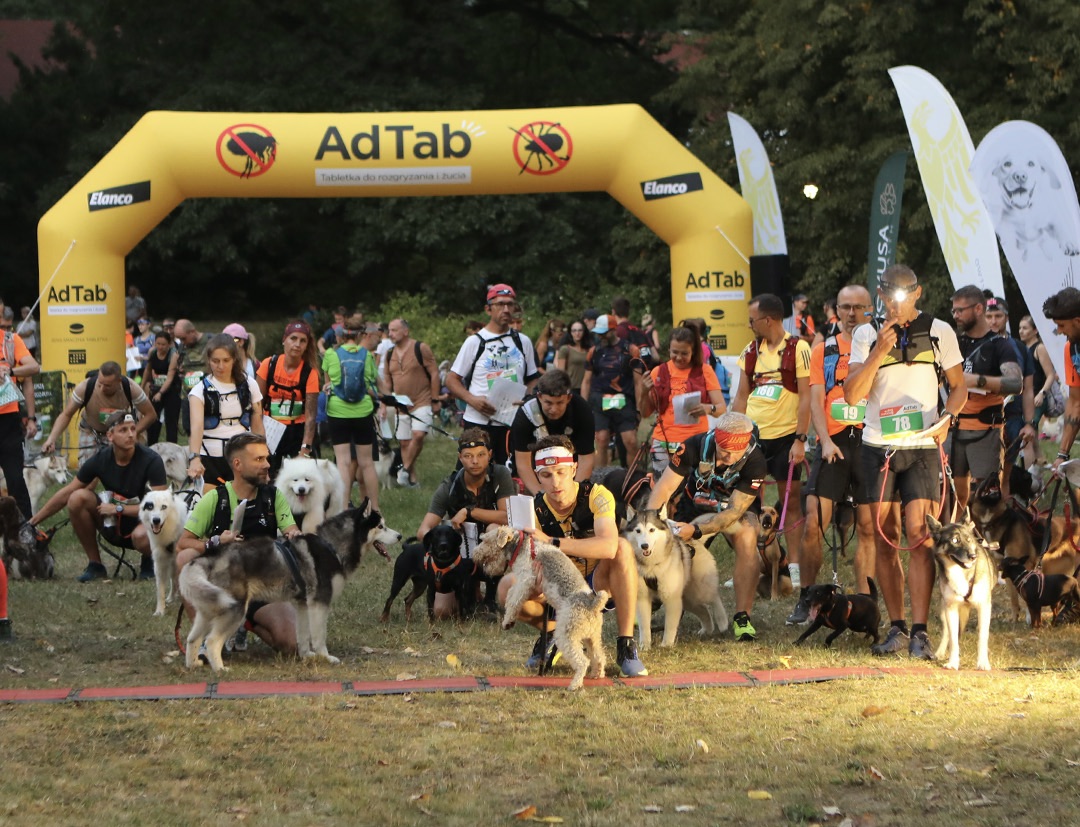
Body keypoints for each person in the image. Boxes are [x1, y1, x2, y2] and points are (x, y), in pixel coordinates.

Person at [845, 264, 966, 660]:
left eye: (904, 294)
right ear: (881, 295)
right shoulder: (866, 334)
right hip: (878, 446)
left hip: (922, 446)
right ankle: (896, 626)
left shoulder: (940, 330)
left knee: (919, 535)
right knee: (884, 535)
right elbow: (852, 395)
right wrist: (879, 351)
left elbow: (959, 387)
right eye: (889, 295)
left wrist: (948, 419)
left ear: (918, 293)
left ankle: (920, 631)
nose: (895, 303)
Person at [498, 434, 648, 677]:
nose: (555, 482)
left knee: (622, 548)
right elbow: (521, 561)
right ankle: (554, 634)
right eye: (546, 475)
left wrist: (553, 542)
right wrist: (534, 573)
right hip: (557, 589)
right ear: (537, 476)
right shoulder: (533, 509)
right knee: (507, 587)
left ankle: (626, 645)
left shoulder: (596, 494)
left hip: (595, 585)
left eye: (561, 472)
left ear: (574, 469)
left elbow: (609, 547)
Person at [791, 286, 878, 625]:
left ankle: (865, 603)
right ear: (836, 310)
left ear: (870, 309)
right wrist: (824, 441)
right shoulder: (823, 349)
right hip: (833, 442)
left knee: (868, 527)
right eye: (845, 307)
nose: (852, 313)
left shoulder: (879, 345)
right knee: (813, 521)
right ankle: (806, 597)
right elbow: (815, 399)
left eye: (859, 307)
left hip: (869, 440)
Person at [175, 432, 302, 654]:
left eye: (266, 458)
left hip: (263, 586)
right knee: (185, 559)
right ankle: (204, 639)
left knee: (292, 645)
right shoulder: (215, 498)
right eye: (259, 459)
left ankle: (244, 622)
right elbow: (183, 543)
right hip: (223, 583)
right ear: (237, 464)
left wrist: (296, 536)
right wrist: (215, 542)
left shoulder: (273, 496)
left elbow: (291, 530)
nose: (267, 465)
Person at [645, 412, 767, 641]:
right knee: (673, 549)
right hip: (697, 499)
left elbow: (733, 512)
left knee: (747, 538)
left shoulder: (756, 461)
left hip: (734, 505)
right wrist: (650, 522)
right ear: (716, 440)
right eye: (724, 450)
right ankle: (662, 599)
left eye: (735, 452)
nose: (728, 456)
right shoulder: (693, 446)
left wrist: (697, 531)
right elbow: (664, 488)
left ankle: (742, 616)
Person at [732, 293, 811, 593]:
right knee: (748, 505)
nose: (749, 325)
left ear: (768, 320)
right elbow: (741, 396)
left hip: (787, 438)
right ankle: (751, 565)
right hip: (755, 439)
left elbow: (806, 398)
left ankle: (795, 569)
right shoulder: (750, 351)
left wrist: (800, 439)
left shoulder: (798, 348)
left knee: (791, 504)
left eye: (752, 320)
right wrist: (735, 437)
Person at [29, 412, 168, 582]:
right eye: (123, 430)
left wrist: (118, 508)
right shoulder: (101, 459)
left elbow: (160, 507)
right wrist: (33, 522)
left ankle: (150, 560)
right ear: (110, 436)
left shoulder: (151, 460)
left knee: (140, 536)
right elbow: (67, 492)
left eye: (133, 429)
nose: (131, 434)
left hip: (147, 525)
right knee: (77, 498)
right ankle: (95, 565)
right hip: (113, 523)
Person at [413, 428, 513, 616]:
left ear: (490, 455)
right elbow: (423, 531)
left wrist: (469, 511)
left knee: (496, 530)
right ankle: (470, 591)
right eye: (468, 456)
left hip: (490, 550)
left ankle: (490, 599)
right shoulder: (449, 486)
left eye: (481, 455)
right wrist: (441, 545)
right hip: (460, 556)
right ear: (460, 457)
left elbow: (507, 516)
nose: (475, 461)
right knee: (442, 611)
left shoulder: (500, 475)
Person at [446, 284, 540, 467]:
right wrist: (472, 400)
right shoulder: (475, 342)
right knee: (473, 473)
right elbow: (451, 379)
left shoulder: (523, 341)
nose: (506, 309)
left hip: (511, 423)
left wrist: (526, 398)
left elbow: (533, 378)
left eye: (510, 304)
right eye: (500, 304)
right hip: (478, 422)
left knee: (514, 474)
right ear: (488, 309)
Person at [947, 285, 1020, 511]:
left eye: (960, 310)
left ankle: (985, 533)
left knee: (986, 496)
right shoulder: (953, 342)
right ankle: (955, 531)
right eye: (954, 311)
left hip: (985, 429)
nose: (956, 315)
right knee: (952, 492)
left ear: (978, 309)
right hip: (952, 428)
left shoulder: (1000, 344)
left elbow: (1015, 383)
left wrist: (977, 380)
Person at [638, 324, 725, 475]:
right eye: (674, 352)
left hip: (695, 441)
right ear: (668, 350)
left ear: (693, 352)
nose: (679, 358)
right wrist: (644, 392)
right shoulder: (658, 372)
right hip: (663, 442)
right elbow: (645, 413)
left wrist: (707, 408)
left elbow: (721, 408)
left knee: (693, 487)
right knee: (662, 487)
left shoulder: (705, 371)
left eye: (684, 353)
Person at [186, 334, 265, 491]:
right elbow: (196, 427)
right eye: (215, 361)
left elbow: (257, 420)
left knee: (245, 499)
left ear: (234, 359)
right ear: (209, 360)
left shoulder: (249, 384)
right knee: (213, 500)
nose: (220, 366)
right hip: (210, 456)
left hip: (241, 455)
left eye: (226, 360)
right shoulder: (199, 391)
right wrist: (195, 458)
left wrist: (262, 454)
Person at [322, 315, 381, 511]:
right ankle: (375, 509)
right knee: (367, 463)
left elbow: (328, 383)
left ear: (340, 335)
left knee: (343, 462)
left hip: (338, 412)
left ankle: (343, 508)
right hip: (363, 411)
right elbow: (370, 381)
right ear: (360, 335)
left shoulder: (331, 354)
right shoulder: (367, 355)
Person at [41, 361, 156, 456]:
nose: (102, 388)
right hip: (90, 432)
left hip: (118, 433)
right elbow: (66, 414)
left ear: (119, 381)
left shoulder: (131, 388)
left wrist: (132, 432)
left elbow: (151, 415)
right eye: (100, 383)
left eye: (107, 385)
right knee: (88, 474)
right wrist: (51, 439)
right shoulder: (84, 388)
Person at [510, 369, 596, 494]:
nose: (554, 409)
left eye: (560, 403)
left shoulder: (582, 411)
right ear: (539, 397)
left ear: (568, 398)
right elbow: (523, 464)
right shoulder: (526, 414)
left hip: (570, 467)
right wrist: (540, 496)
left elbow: (586, 459)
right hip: (536, 469)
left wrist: (576, 495)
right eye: (548, 403)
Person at [984, 296, 1035, 500]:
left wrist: (1029, 423)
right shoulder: (974, 345)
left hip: (1012, 420)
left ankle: (1002, 517)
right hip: (981, 418)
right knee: (980, 476)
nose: (993, 321)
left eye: (998, 316)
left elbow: (1028, 389)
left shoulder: (1020, 349)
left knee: (1004, 477)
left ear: (1006, 317)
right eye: (989, 316)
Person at [580, 314, 645, 469]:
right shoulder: (594, 351)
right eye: (598, 333)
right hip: (599, 399)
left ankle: (633, 477)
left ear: (614, 330)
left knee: (630, 441)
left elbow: (638, 381)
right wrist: (584, 407)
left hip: (624, 399)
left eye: (604, 333)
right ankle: (600, 477)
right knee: (601, 439)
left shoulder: (631, 350)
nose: (600, 336)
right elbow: (586, 380)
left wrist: (639, 408)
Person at [256, 321, 321, 475]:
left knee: (301, 476)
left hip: (297, 431)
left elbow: (311, 416)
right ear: (284, 340)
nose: (297, 344)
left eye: (302, 341)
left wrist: (305, 449)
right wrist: (258, 438)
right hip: (270, 428)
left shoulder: (309, 373)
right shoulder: (269, 364)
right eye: (293, 338)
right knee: (266, 475)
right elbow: (257, 405)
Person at [382, 318, 440, 487]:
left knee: (419, 435)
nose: (390, 334)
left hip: (422, 400)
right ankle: (412, 480)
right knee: (404, 443)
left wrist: (435, 398)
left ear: (405, 331)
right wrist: (384, 404)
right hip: (401, 405)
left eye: (394, 330)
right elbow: (387, 382)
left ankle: (404, 469)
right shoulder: (389, 354)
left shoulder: (420, 348)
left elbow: (434, 373)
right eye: (389, 330)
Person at [0, 296, 40, 519]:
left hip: (8, 420)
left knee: (15, 479)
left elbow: (33, 367)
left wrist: (11, 371)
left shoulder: (10, 340)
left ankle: (26, 529)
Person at [1042, 287, 1080, 471]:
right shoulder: (1071, 349)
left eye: (1062, 325)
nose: (1059, 331)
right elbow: (1075, 401)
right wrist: (1062, 455)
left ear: (1077, 321)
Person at [1019, 313, 1057, 463]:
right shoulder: (1023, 348)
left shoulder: (1039, 348)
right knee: (1032, 438)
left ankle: (1030, 472)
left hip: (1037, 398)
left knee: (1027, 436)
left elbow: (1050, 374)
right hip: (1026, 397)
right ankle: (1041, 463)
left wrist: (1042, 393)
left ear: (1035, 330)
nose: (1021, 331)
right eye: (1020, 328)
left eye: (1025, 328)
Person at [141, 330, 181, 445]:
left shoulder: (173, 355)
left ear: (169, 344)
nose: (160, 347)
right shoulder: (153, 353)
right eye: (158, 344)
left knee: (171, 421)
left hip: (171, 390)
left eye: (163, 344)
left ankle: (172, 446)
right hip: (156, 387)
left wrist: (161, 393)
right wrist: (141, 387)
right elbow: (147, 370)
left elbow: (170, 378)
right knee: (153, 419)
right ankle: (151, 445)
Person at [174, 319, 211, 434]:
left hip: (208, 394)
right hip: (188, 395)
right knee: (189, 429)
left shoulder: (211, 341)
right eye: (180, 339)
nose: (182, 342)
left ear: (192, 332)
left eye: (183, 338)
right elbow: (179, 364)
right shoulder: (182, 347)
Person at [612, 296, 659, 370]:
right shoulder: (639, 331)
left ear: (613, 311)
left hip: (630, 375)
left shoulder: (617, 331)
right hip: (647, 373)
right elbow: (656, 357)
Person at [554, 319, 591, 394]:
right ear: (570, 332)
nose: (577, 333)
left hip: (587, 387)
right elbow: (561, 372)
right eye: (574, 331)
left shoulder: (589, 350)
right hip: (571, 388)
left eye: (580, 330)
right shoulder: (565, 349)